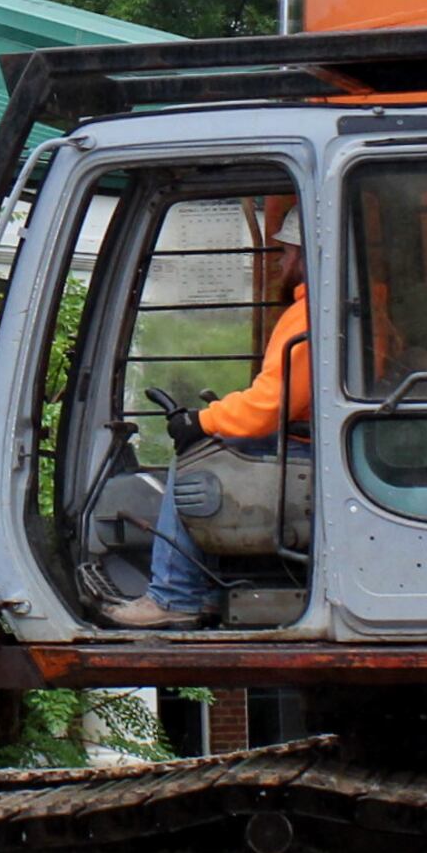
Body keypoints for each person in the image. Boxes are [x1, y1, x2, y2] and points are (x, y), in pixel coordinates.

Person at [104, 207, 305, 629]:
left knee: (196, 460)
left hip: (306, 449)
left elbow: (268, 407)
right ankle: (207, 593)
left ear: (309, 255)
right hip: (315, 441)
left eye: (287, 252)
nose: (280, 262)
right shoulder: (335, 309)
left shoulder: (307, 317)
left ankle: (174, 595)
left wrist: (202, 423)